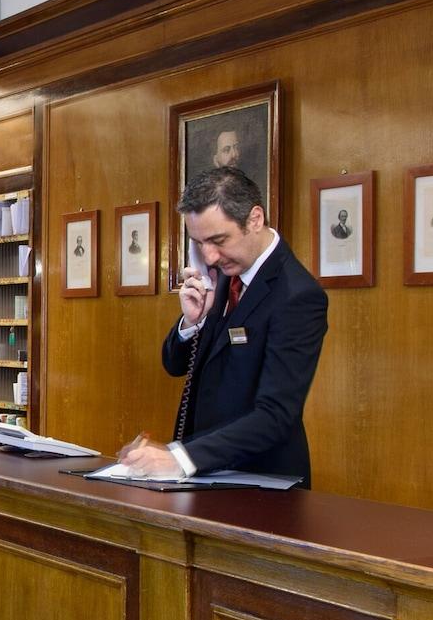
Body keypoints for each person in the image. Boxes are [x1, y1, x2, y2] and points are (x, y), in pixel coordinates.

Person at [120, 166, 328, 484]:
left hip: (260, 484)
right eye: (199, 243)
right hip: (208, 475)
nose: (210, 256)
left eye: (218, 240)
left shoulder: (297, 295)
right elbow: (175, 365)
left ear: (254, 219)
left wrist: (181, 458)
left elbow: (275, 415)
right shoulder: (223, 278)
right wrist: (192, 323)